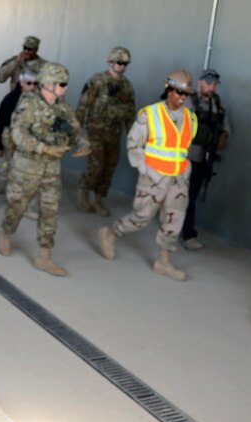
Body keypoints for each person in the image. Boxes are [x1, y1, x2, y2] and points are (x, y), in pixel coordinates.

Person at [98, 70, 199, 281]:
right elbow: (134, 144)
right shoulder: (150, 114)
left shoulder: (190, 117)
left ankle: (164, 261)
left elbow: (183, 148)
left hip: (178, 180)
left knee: (174, 221)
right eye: (178, 92)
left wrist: (186, 170)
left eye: (185, 94)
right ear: (168, 90)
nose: (182, 97)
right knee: (141, 216)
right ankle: (111, 233)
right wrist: (145, 170)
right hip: (153, 178)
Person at [0, 63, 90, 276]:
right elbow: (18, 134)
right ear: (48, 83)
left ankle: (44, 256)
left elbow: (74, 126)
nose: (65, 89)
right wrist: (44, 148)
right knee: (17, 207)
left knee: (50, 211)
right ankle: (6, 232)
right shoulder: (28, 103)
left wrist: (83, 142)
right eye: (62, 84)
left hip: (51, 169)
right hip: (27, 167)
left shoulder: (61, 105)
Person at [75, 47, 136, 216]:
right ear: (111, 62)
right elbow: (83, 104)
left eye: (125, 63)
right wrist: (77, 128)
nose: (123, 66)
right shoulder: (98, 80)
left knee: (109, 168)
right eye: (120, 62)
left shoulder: (127, 86)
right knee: (96, 166)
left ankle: (98, 200)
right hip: (96, 131)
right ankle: (84, 189)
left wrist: (133, 136)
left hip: (115, 134)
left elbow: (130, 112)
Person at [181, 68, 230, 250]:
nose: (212, 87)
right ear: (200, 82)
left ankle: (185, 230)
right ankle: (187, 234)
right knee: (186, 195)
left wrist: (224, 136)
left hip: (205, 158)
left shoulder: (217, 103)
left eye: (215, 84)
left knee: (190, 195)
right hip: (187, 156)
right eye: (209, 83)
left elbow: (225, 126)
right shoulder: (190, 101)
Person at [0, 69, 39, 214]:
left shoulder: (38, 100)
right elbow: (0, 123)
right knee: (5, 170)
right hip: (12, 143)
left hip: (30, 144)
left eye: (35, 83)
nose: (32, 86)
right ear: (21, 83)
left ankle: (25, 206)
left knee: (30, 175)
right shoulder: (10, 100)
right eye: (29, 83)